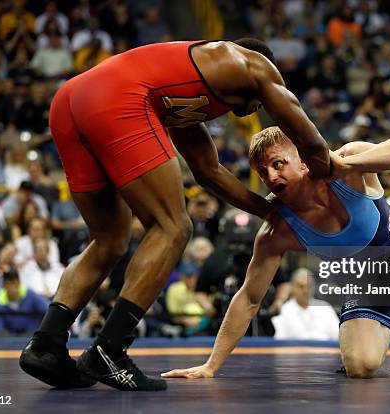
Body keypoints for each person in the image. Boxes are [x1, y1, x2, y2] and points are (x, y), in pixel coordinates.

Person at [20, 39, 332, 391]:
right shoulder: (251, 63)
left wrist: (270, 212)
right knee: (173, 226)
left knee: (108, 239)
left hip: (71, 99)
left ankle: (46, 344)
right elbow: (310, 142)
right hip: (116, 96)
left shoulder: (188, 92)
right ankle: (110, 350)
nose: (257, 107)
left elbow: (208, 171)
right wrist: (330, 184)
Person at [162, 127, 390, 384]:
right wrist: (211, 365)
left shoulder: (348, 164)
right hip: (368, 281)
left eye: (278, 164)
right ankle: (371, 328)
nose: (272, 177)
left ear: (303, 161)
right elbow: (249, 296)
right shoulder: (278, 230)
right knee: (361, 367)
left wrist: (347, 162)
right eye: (263, 172)